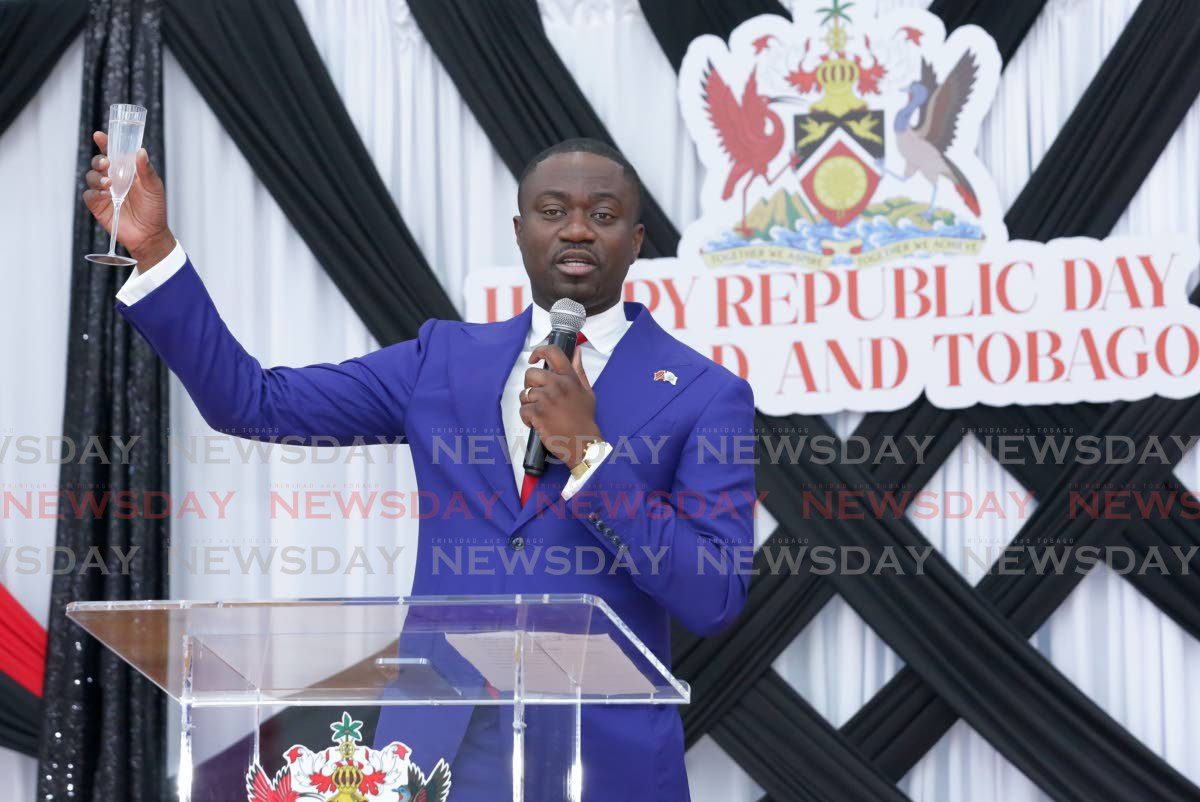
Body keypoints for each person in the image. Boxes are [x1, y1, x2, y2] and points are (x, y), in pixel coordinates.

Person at [84, 132, 756, 801]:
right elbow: (253, 403)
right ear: (520, 231)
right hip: (436, 759)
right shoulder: (444, 360)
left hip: (605, 765)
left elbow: (714, 596)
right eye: (553, 211)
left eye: (602, 214)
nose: (577, 229)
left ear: (636, 241)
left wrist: (587, 454)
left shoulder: (703, 395)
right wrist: (155, 251)